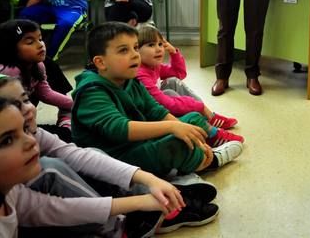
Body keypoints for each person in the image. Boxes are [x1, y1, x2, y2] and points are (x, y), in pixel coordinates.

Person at [0, 72, 219, 236]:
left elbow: (50, 200)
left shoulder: (9, 191)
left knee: (89, 156)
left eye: (25, 99)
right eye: (7, 138)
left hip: (104, 187)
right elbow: (53, 209)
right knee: (53, 167)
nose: (28, 110)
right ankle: (129, 222)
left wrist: (147, 181)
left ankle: (158, 198)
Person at [72, 22, 243, 177]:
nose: (134, 55)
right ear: (100, 63)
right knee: (175, 144)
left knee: (192, 120)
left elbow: (155, 110)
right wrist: (173, 127)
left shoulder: (130, 80)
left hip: (138, 143)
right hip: (116, 159)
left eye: (135, 47)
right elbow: (120, 129)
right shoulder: (91, 91)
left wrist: (181, 128)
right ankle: (211, 161)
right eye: (124, 50)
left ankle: (192, 159)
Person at [136, 23, 243, 147]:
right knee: (168, 94)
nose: (159, 49)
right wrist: (197, 106)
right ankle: (208, 130)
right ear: (137, 49)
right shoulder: (141, 75)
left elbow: (179, 74)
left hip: (160, 109)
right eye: (151, 45)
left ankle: (208, 117)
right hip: (152, 119)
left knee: (172, 81)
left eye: (160, 44)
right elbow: (166, 103)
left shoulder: (153, 66)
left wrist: (173, 52)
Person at [0, 19, 73, 135]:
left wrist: (77, 104)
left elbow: (46, 94)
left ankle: (65, 123)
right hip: (3, 125)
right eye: (30, 42)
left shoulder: (38, 65)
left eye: (40, 39)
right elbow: (3, 112)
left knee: (69, 110)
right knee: (65, 136)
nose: (40, 45)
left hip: (23, 116)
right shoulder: (9, 73)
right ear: (10, 49)